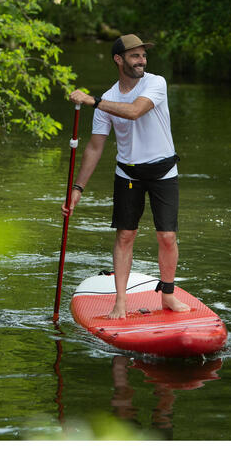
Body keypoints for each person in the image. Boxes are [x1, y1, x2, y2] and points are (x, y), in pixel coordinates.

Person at [62, 34, 189, 319]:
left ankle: (167, 295)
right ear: (119, 60)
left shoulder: (155, 83)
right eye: (135, 56)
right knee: (125, 235)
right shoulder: (108, 99)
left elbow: (134, 112)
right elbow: (95, 147)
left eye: (143, 55)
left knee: (167, 236)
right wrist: (78, 187)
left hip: (163, 171)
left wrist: (92, 100)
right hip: (128, 172)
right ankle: (120, 300)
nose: (141, 61)